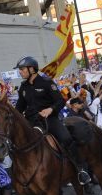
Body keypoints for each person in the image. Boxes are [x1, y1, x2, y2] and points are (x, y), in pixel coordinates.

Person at [14, 56, 91, 187]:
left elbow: (60, 101)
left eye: (22, 69)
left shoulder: (46, 82)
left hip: (49, 120)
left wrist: (50, 109)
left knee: (66, 138)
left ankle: (81, 169)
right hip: (32, 122)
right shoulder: (23, 87)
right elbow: (19, 108)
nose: (20, 72)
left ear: (31, 69)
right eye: (19, 70)